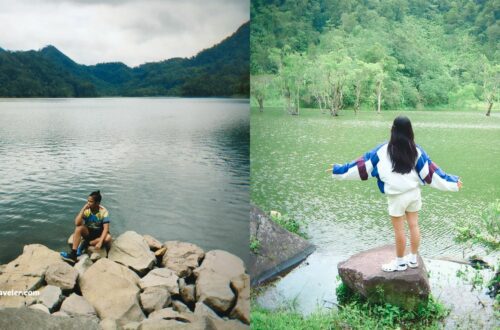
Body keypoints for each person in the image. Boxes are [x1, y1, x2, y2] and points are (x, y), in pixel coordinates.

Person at [330, 116, 462, 272]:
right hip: (413, 194)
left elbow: (361, 166)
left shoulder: (381, 151)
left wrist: (338, 170)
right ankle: (413, 259)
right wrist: (453, 182)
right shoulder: (416, 151)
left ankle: (399, 262)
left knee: (399, 230)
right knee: (414, 225)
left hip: (396, 198)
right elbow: (433, 173)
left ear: (393, 130)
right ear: (410, 131)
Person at [60, 190, 112, 263]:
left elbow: (106, 229)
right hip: (89, 232)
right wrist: (83, 209)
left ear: (97, 203)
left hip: (99, 234)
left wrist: (100, 242)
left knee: (108, 238)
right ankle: (74, 254)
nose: (88, 203)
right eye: (88, 201)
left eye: (91, 201)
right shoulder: (87, 210)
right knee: (79, 228)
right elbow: (77, 223)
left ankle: (86, 243)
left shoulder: (103, 211)